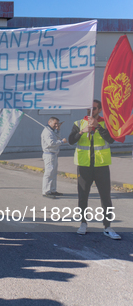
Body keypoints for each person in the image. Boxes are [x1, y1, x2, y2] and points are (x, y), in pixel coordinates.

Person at [68, 100, 120, 240]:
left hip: (101, 165)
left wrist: (98, 127)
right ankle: (83, 223)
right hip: (84, 165)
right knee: (83, 196)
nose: (91, 111)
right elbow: (71, 140)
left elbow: (111, 140)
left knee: (105, 197)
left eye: (94, 108)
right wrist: (81, 132)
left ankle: (107, 226)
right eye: (89, 108)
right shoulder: (78, 123)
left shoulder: (107, 123)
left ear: (100, 109)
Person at [41, 117, 67, 198]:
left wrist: (58, 130)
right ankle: (46, 191)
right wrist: (62, 142)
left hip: (54, 154)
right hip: (49, 154)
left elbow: (56, 138)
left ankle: (52, 190)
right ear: (49, 122)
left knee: (53, 173)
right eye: (55, 123)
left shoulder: (52, 131)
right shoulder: (47, 132)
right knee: (49, 173)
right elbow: (51, 143)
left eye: (57, 123)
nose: (56, 125)